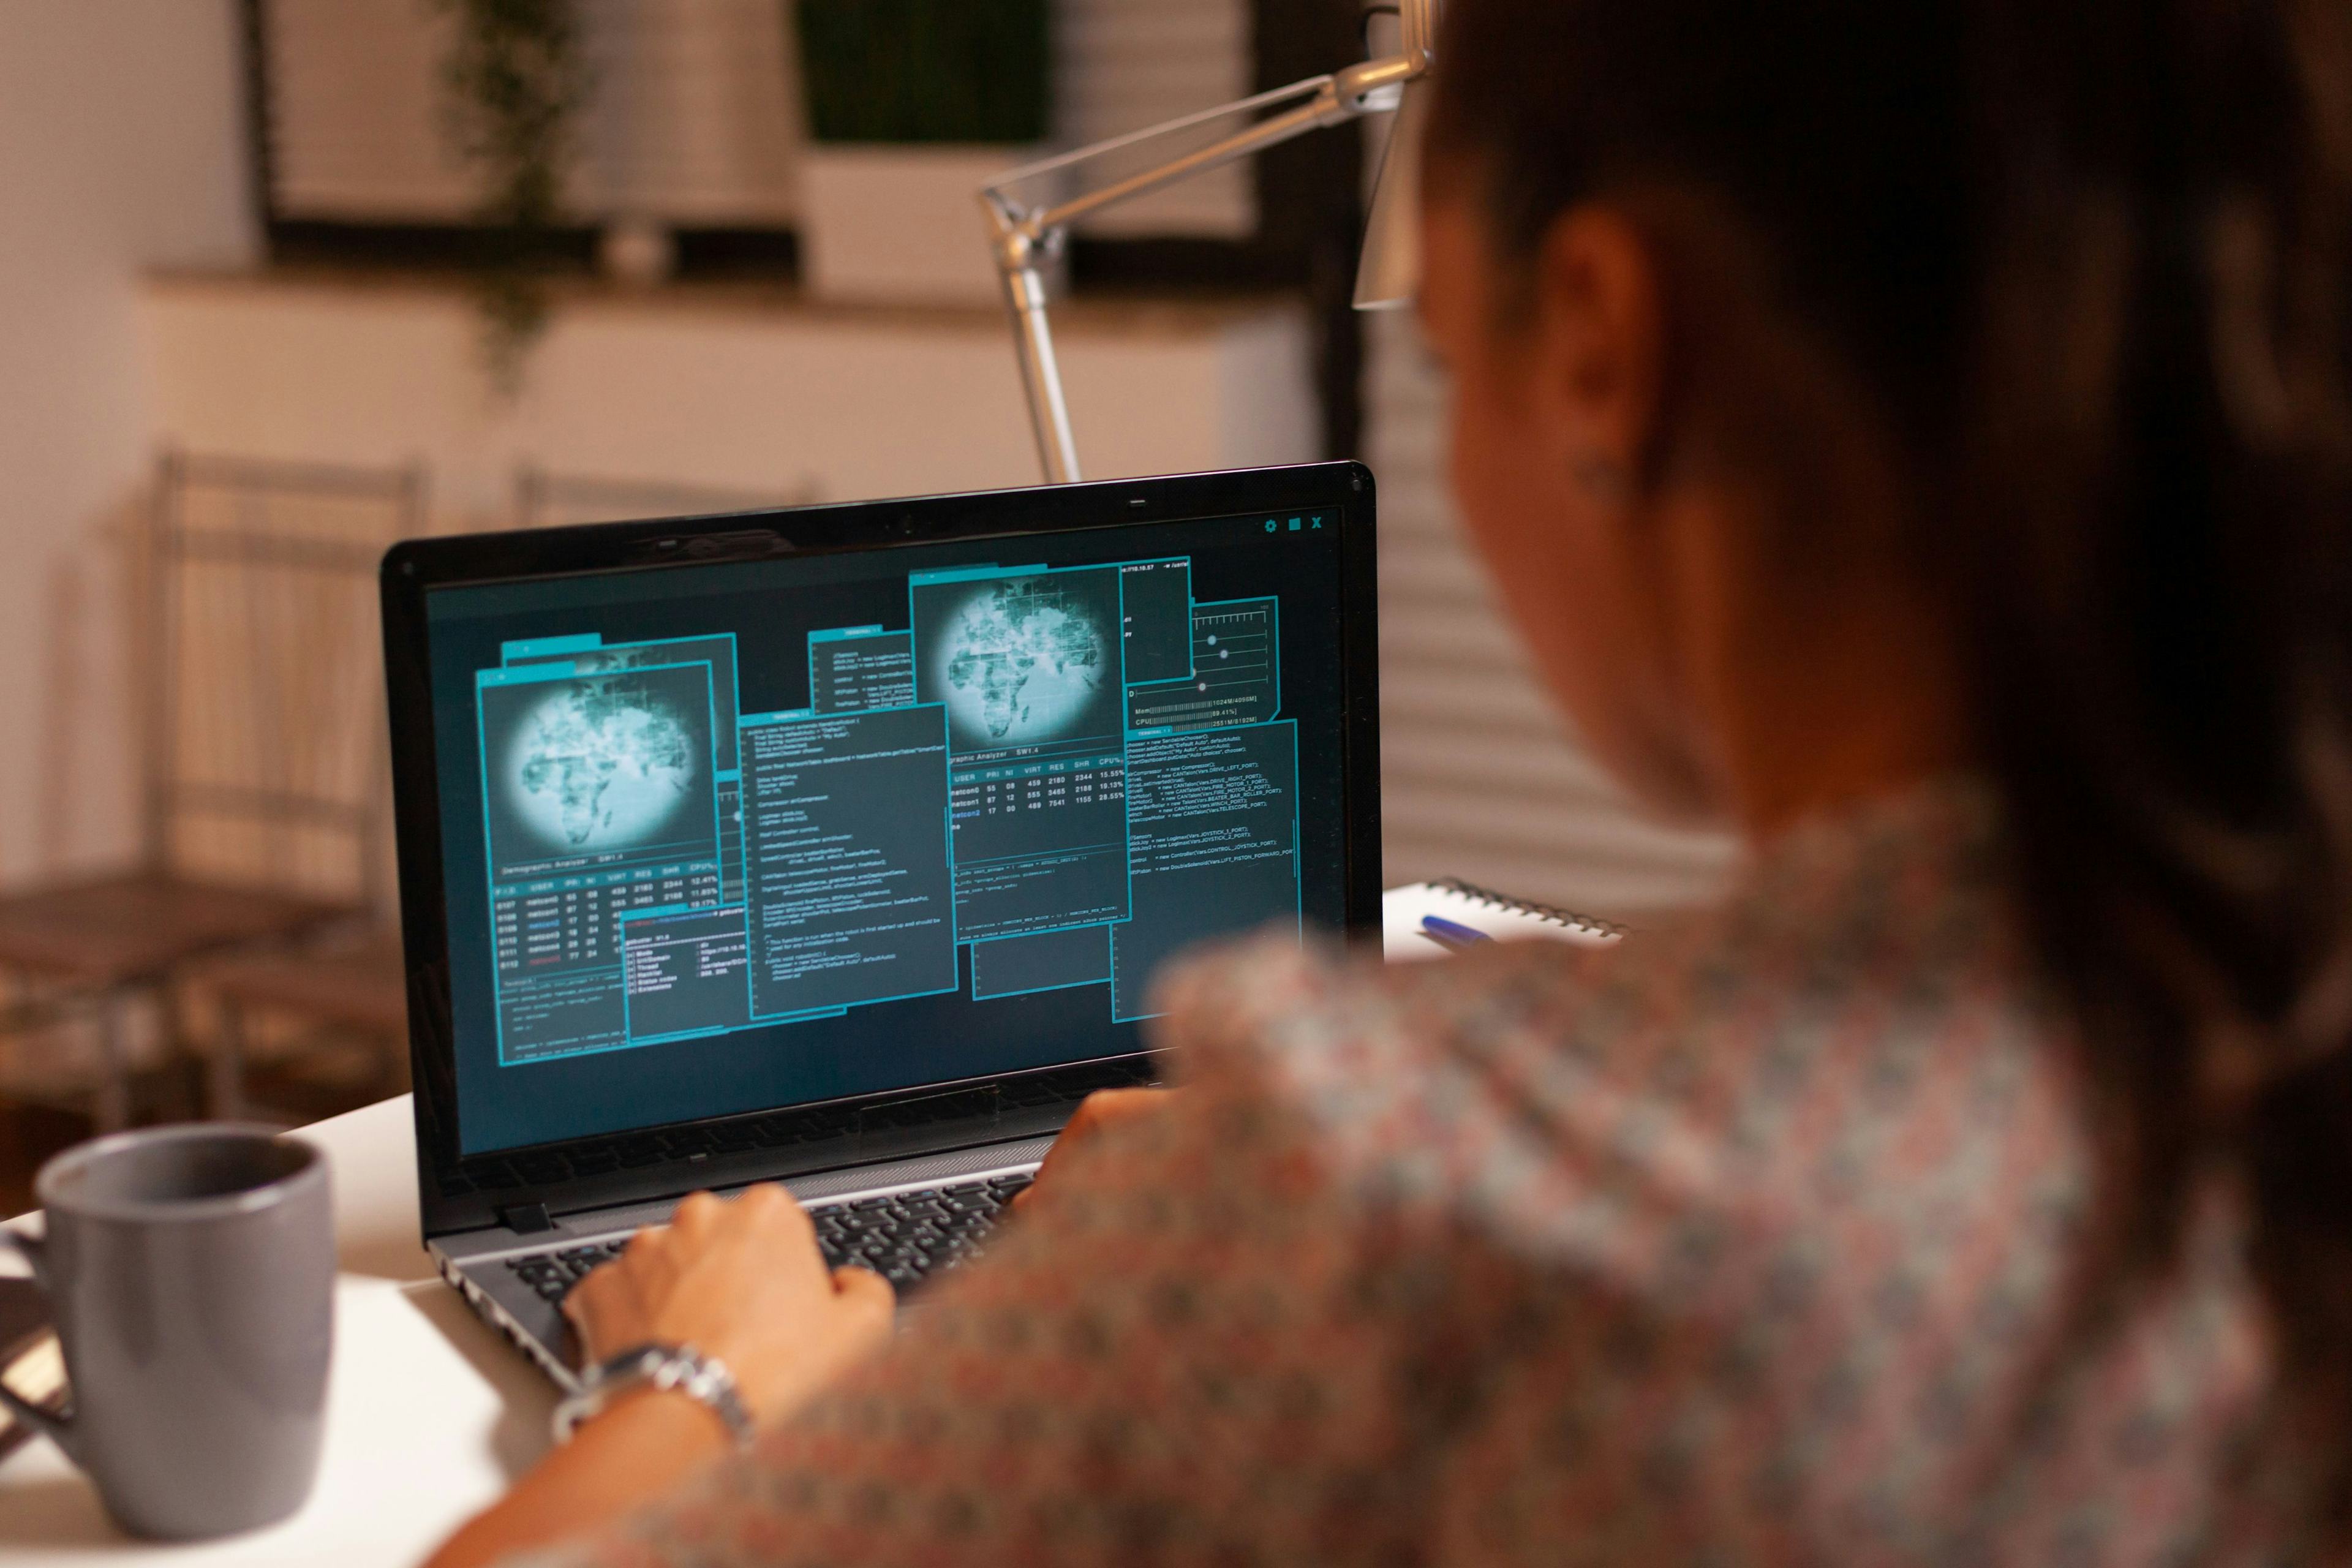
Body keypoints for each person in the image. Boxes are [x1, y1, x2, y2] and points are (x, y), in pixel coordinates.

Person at [431, 0, 2352, 1561]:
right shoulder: (2266, 1044)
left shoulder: (1400, 1194)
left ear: (1603, 346)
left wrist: (701, 1383)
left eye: (1438, 351)